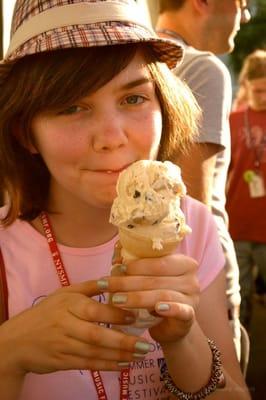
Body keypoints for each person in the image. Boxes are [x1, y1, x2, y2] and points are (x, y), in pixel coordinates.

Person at [0, 1, 250, 399]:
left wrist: (182, 340)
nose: (112, 137)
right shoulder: (6, 246)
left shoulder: (193, 225)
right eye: (72, 106)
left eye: (133, 99)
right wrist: (9, 353)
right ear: (25, 133)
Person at [156, 0, 251, 360]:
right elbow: (193, 208)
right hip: (200, 284)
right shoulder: (202, 67)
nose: (245, 15)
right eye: (241, 3)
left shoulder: (130, 63)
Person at [226, 49, 266, 331]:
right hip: (237, 222)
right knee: (241, 299)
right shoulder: (232, 120)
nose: (263, 97)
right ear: (246, 86)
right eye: (258, 91)